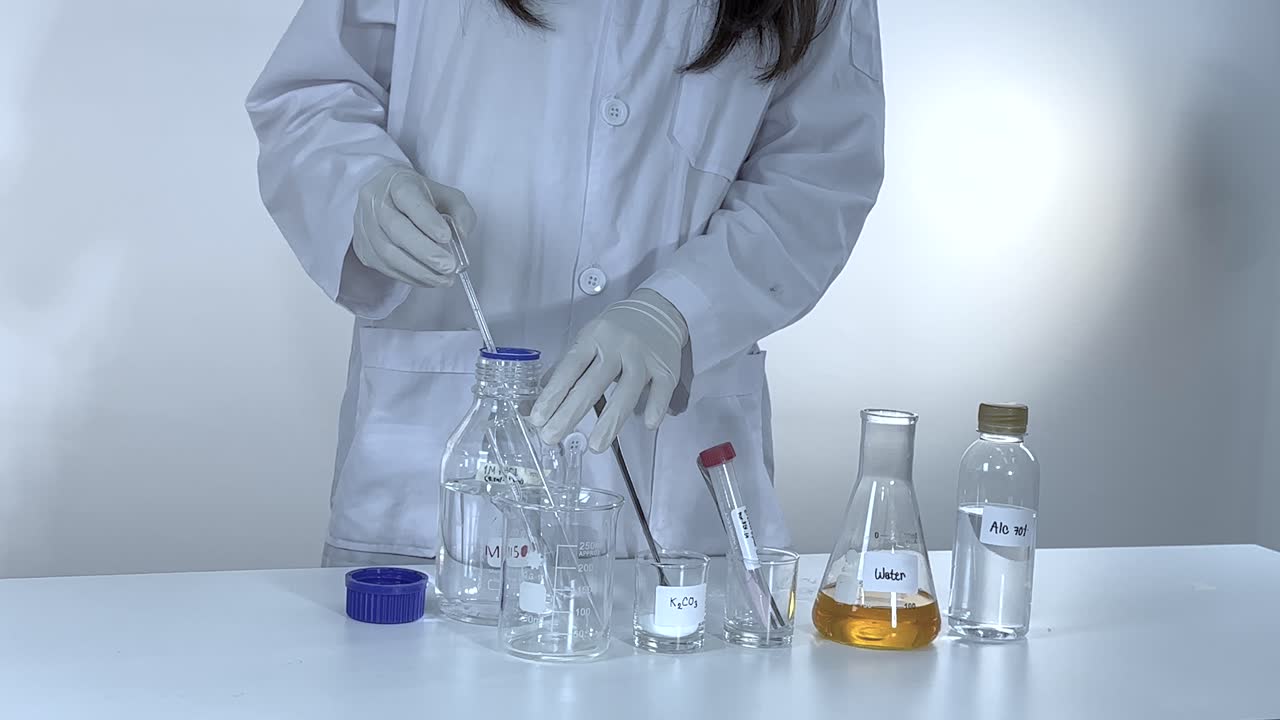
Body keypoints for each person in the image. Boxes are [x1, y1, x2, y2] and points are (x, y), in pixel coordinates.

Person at [247, 0, 884, 567]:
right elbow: (312, 99)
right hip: (431, 478)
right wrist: (360, 189)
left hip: (668, 488)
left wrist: (683, 306)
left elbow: (821, 171)